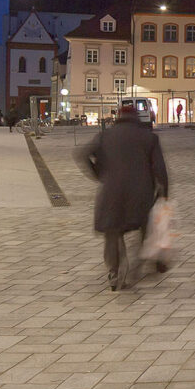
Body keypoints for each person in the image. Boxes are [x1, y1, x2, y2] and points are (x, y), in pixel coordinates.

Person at [79, 103, 169, 290]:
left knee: (113, 231)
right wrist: (164, 193)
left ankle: (114, 269)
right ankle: (145, 259)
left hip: (111, 191)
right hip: (141, 193)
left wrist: (99, 173)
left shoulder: (106, 136)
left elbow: (81, 154)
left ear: (118, 117)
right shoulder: (149, 138)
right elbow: (160, 169)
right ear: (138, 117)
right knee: (147, 227)